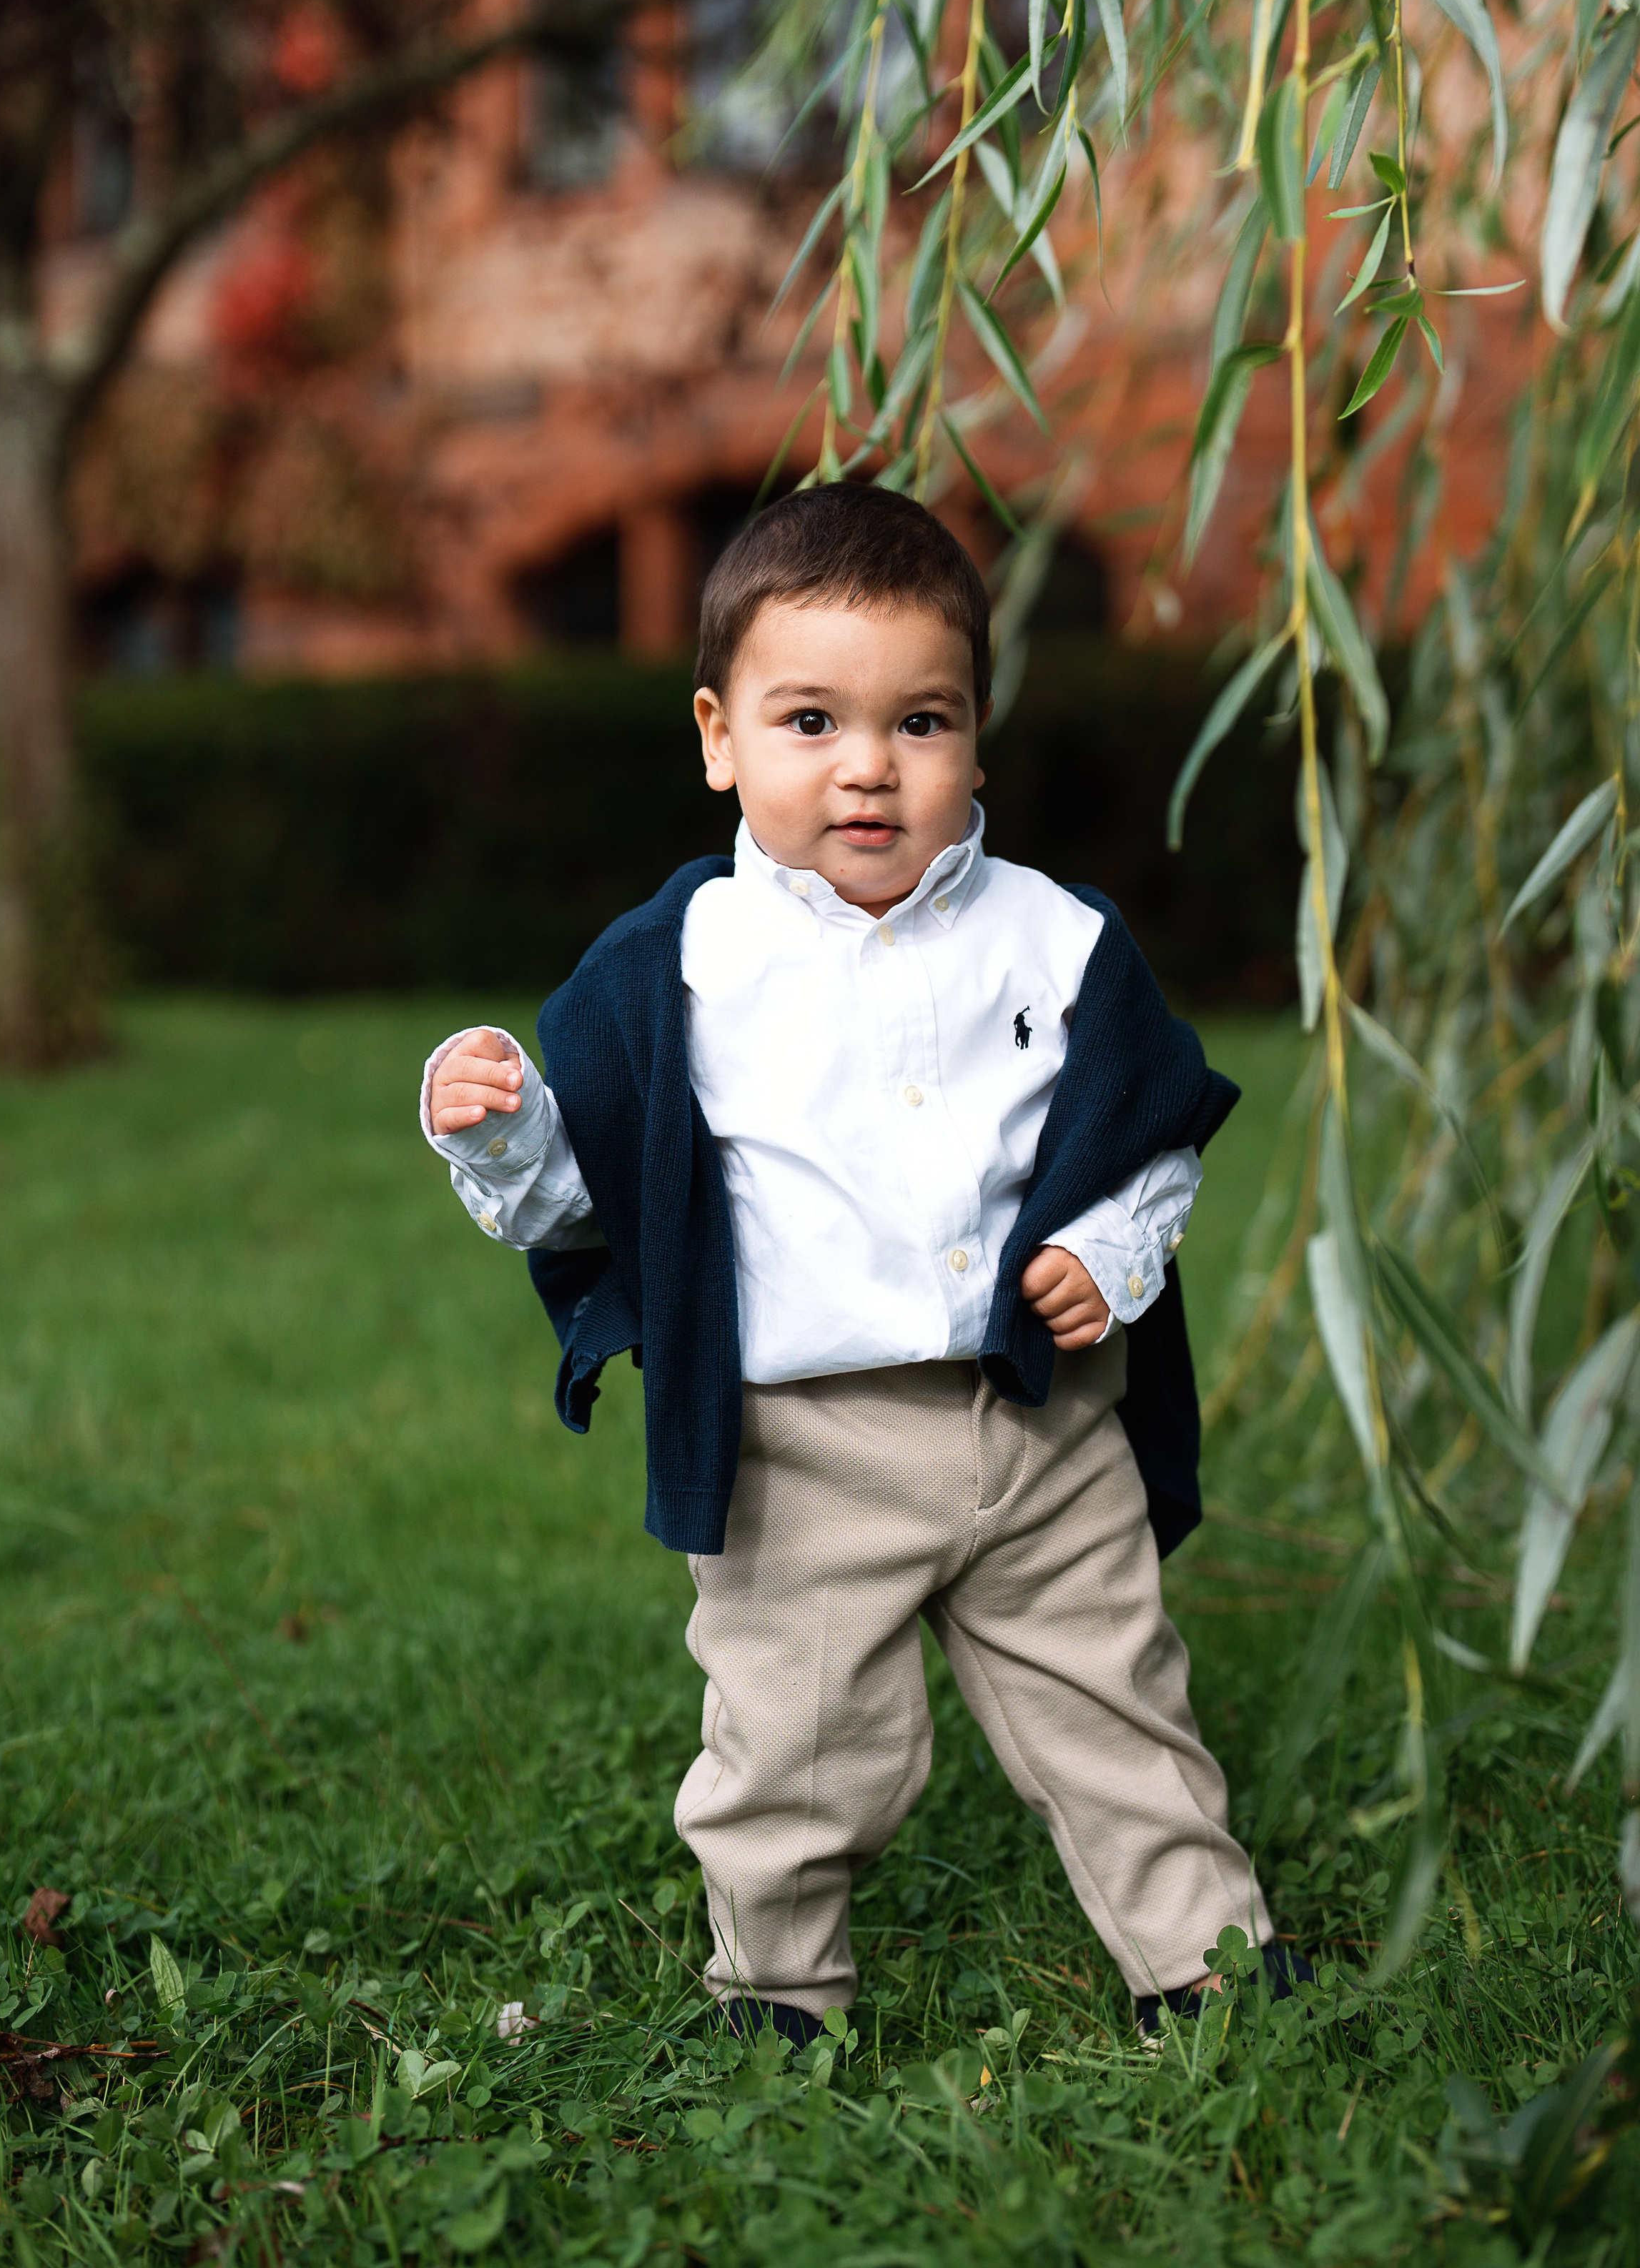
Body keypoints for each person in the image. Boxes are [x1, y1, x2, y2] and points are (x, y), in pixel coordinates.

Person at [420, 483, 1298, 2044]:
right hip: (801, 1450)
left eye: (920, 721)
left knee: (1113, 1698)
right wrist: (497, 1130)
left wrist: (1109, 1252)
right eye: (810, 718)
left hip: (1037, 1419)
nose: (868, 768)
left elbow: (1152, 1135)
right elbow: (586, 1201)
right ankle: (774, 1989)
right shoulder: (678, 968)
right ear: (717, 736)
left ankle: (1207, 1961)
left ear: (975, 737)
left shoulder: (1055, 941)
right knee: (794, 1738)